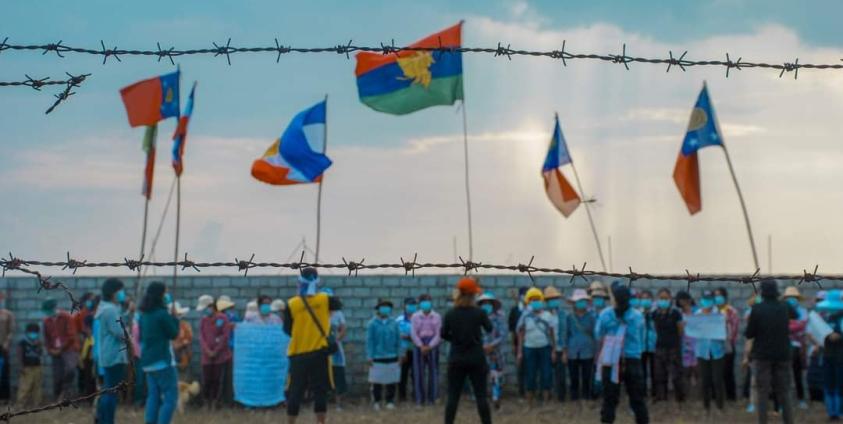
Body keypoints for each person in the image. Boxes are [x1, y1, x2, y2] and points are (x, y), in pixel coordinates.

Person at [283, 267, 341, 424]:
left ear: (299, 281)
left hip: (297, 353)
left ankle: (291, 422)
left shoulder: (292, 303)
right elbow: (338, 304)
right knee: (320, 391)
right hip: (319, 353)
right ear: (317, 281)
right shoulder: (325, 299)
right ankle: (320, 422)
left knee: (295, 391)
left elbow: (287, 329)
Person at [594, 283, 649, 424]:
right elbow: (642, 339)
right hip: (633, 360)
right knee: (637, 399)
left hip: (611, 360)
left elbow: (598, 334)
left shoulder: (605, 315)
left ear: (614, 299)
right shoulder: (637, 316)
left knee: (609, 399)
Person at [442, 277, 492, 424]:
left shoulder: (451, 313)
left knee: (453, 397)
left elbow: (443, 334)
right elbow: (489, 328)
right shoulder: (479, 313)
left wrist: (455, 339)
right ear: (473, 295)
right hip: (476, 358)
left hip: (457, 358)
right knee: (481, 397)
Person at [746, 280, 796, 424]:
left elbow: (749, 334)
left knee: (762, 392)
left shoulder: (757, 309)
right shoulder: (785, 306)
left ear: (762, 292)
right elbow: (796, 315)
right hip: (783, 354)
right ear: (777, 291)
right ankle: (788, 421)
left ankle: (762, 421)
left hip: (762, 356)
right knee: (784, 392)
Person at [139, 281, 180, 424]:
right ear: (160, 295)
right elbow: (174, 334)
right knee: (170, 398)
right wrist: (175, 317)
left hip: (148, 362)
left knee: (153, 396)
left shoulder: (144, 314)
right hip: (162, 361)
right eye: (165, 293)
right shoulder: (162, 314)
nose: (167, 295)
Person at [95, 278, 129, 424]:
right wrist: (129, 334)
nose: (123, 293)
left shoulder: (106, 308)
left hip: (109, 355)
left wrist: (127, 311)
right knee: (111, 392)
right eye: (121, 291)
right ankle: (107, 420)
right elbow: (121, 333)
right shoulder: (110, 310)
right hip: (114, 356)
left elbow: (118, 321)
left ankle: (102, 419)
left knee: (108, 390)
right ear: (113, 292)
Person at [516, 287, 557, 406]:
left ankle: (546, 401)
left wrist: (554, 350)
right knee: (530, 375)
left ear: (542, 300)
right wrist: (520, 352)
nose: (535, 302)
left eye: (537, 299)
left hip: (545, 348)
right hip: (529, 349)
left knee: (546, 374)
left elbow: (552, 334)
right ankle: (530, 402)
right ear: (528, 302)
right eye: (533, 300)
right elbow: (521, 334)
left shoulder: (548, 316)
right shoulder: (525, 316)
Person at [695, 291, 726, 416]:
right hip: (702, 352)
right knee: (705, 381)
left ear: (713, 301)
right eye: (705, 299)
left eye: (709, 299)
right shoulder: (697, 315)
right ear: (701, 300)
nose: (706, 302)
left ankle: (719, 407)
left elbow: (723, 332)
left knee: (717, 380)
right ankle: (706, 407)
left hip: (717, 351)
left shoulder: (719, 314)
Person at [42, 298, 79, 400]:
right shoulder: (46, 321)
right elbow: (46, 338)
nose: (48, 313)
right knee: (57, 375)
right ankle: (58, 397)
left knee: (70, 369)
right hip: (55, 350)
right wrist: (50, 350)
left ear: (54, 308)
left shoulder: (66, 317)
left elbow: (71, 335)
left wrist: (61, 349)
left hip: (69, 348)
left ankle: (65, 392)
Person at [366, 298, 401, 411]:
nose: (385, 309)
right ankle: (376, 401)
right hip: (377, 356)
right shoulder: (372, 323)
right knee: (377, 380)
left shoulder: (394, 323)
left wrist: (400, 354)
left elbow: (398, 340)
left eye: (387, 307)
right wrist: (370, 356)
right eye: (383, 307)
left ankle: (389, 401)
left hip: (392, 355)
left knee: (391, 380)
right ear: (378, 309)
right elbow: (370, 341)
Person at [651, 288, 685, 403]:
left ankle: (679, 397)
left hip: (673, 347)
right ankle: (662, 396)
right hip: (659, 347)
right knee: (660, 374)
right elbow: (655, 328)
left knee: (676, 374)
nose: (663, 300)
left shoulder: (675, 313)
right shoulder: (655, 313)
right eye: (661, 298)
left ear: (670, 299)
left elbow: (680, 330)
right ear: (657, 299)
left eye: (666, 298)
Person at [199, 296, 232, 410]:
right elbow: (201, 337)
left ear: (212, 307)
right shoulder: (204, 320)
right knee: (207, 379)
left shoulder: (223, 318)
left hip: (220, 356)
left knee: (217, 379)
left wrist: (216, 350)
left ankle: (215, 402)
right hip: (206, 356)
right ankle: (205, 402)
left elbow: (225, 336)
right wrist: (207, 350)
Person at [566, 288, 596, 404]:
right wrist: (565, 351)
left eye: (583, 301)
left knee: (587, 375)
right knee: (573, 376)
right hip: (573, 351)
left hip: (588, 350)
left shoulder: (591, 317)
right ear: (574, 303)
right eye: (578, 301)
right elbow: (566, 334)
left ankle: (586, 397)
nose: (581, 303)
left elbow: (595, 334)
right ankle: (574, 397)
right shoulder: (569, 317)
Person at [411, 293, 442, 406]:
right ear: (420, 304)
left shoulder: (437, 316)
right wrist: (421, 345)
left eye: (428, 301)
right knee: (418, 372)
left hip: (432, 344)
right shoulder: (415, 316)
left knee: (433, 372)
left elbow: (439, 334)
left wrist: (430, 346)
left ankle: (432, 399)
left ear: (431, 302)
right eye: (423, 301)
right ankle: (419, 399)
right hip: (419, 344)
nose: (426, 303)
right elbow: (413, 333)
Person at [817, 289, 843, 420]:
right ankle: (832, 412)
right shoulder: (824, 318)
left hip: (839, 356)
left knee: (838, 384)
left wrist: (838, 336)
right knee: (830, 384)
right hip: (828, 355)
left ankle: (838, 412)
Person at [478, 291, 506, 410]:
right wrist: (482, 346)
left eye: (488, 303)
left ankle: (496, 397)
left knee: (496, 376)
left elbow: (503, 335)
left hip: (495, 352)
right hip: (480, 351)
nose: (486, 305)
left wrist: (491, 346)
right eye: (483, 303)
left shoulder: (499, 317)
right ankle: (481, 398)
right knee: (480, 375)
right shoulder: (477, 318)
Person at [782, 286, 809, 409]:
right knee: (783, 376)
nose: (792, 299)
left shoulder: (803, 311)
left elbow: (802, 325)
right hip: (784, 346)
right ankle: (784, 401)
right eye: (789, 297)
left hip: (798, 347)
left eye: (794, 297)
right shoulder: (781, 311)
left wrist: (789, 325)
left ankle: (801, 399)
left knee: (797, 374)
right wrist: (794, 325)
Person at [713, 287, 740, 402]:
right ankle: (715, 396)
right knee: (715, 372)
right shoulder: (712, 311)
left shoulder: (731, 311)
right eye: (716, 296)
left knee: (728, 371)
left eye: (720, 295)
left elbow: (734, 329)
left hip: (727, 344)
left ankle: (731, 397)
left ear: (724, 297)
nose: (718, 298)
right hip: (714, 345)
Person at [544, 286, 568, 403]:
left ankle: (561, 397)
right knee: (546, 373)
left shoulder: (562, 314)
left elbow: (564, 332)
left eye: (555, 299)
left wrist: (564, 351)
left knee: (561, 375)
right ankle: (547, 395)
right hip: (546, 348)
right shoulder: (544, 315)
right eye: (551, 299)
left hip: (559, 349)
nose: (553, 301)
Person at [326, 290, 347, 410]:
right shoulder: (318, 313)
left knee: (338, 374)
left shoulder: (338, 314)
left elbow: (343, 329)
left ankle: (338, 403)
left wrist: (335, 340)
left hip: (335, 349)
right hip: (321, 349)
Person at [676, 291, 698, 397]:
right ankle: (686, 394)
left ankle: (698, 394)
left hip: (697, 343)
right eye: (680, 300)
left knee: (697, 370)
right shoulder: (678, 313)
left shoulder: (697, 311)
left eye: (684, 299)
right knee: (686, 371)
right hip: (684, 344)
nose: (683, 302)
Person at [508, 286, 529, 397]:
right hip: (518, 343)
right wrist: (513, 344)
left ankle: (530, 390)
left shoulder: (532, 310)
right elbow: (512, 329)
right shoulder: (515, 310)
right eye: (523, 295)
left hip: (531, 343)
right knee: (520, 367)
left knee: (531, 367)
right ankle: (521, 391)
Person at [396, 297, 417, 403]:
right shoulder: (399, 320)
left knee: (415, 374)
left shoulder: (419, 319)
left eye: (413, 305)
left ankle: (416, 395)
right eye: (409, 305)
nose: (411, 307)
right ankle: (402, 396)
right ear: (404, 306)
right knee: (402, 374)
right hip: (403, 351)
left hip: (416, 350)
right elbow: (396, 335)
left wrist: (409, 337)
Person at [16, 323, 42, 407]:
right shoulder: (22, 342)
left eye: (35, 332)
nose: (33, 334)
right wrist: (21, 366)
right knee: (25, 387)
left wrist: (38, 345)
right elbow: (19, 354)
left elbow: (40, 353)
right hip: (26, 367)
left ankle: (37, 404)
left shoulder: (38, 342)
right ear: (27, 332)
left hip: (37, 366)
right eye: (31, 332)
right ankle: (20, 404)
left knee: (37, 386)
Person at [638, 290, 657, 398]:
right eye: (643, 298)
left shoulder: (655, 313)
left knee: (655, 371)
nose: (645, 301)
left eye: (647, 298)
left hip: (653, 345)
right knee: (642, 371)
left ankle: (655, 392)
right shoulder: (638, 314)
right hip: (641, 346)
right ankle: (643, 392)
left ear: (651, 300)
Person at [171, 302, 193, 373]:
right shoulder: (167, 325)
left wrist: (180, 345)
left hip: (182, 353)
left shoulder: (185, 325)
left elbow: (189, 339)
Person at [0, 293, 14, 403]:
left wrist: (7, 343)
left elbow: (11, 331)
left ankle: (5, 398)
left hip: (3, 347)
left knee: (4, 373)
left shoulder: (8, 314)